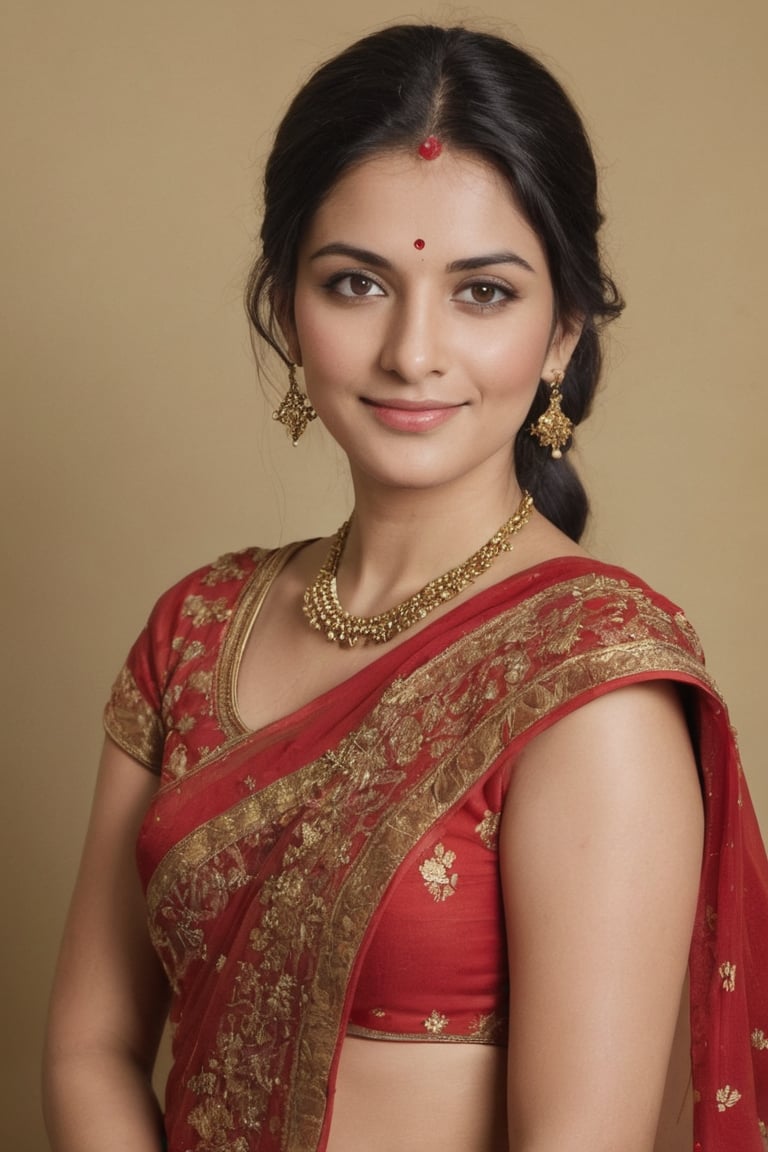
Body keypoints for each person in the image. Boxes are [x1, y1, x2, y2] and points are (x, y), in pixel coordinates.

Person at [42, 23, 768, 1152]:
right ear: (287, 308)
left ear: (562, 332)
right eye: (357, 283)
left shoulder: (590, 682)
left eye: (482, 292)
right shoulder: (195, 632)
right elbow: (90, 1044)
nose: (413, 351)